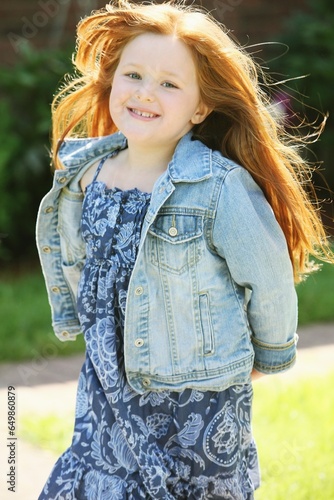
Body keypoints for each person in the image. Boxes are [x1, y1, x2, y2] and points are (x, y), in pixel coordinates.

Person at [36, 1, 333, 498]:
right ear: (112, 84)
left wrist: (269, 355)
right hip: (108, 393)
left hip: (195, 403)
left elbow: (268, 275)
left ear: (200, 107)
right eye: (133, 74)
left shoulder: (217, 188)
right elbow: (83, 266)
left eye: (169, 84)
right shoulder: (84, 177)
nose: (145, 92)